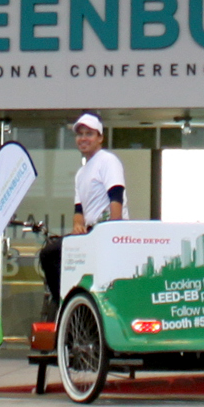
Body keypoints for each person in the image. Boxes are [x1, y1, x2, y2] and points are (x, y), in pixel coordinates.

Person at [38, 113, 128, 309]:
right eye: (80, 135)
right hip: (90, 233)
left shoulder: (107, 161)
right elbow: (79, 209)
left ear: (100, 138)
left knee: (50, 255)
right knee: (53, 255)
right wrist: (78, 225)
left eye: (89, 134)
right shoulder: (81, 173)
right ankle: (66, 303)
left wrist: (113, 233)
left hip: (106, 232)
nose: (83, 138)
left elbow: (116, 197)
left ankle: (65, 303)